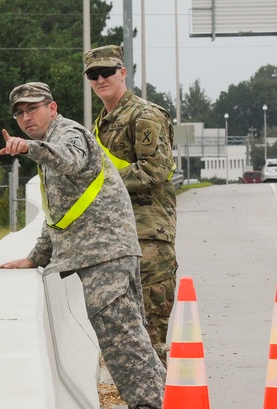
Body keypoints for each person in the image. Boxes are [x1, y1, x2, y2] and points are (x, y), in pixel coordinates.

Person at [0, 82, 166, 409]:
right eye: (20, 113)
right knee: (129, 335)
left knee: (123, 340)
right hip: (101, 253)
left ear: (52, 108)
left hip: (105, 253)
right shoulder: (51, 146)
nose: (26, 118)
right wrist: (37, 256)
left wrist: (30, 149)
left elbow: (69, 158)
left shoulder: (68, 134)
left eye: (33, 109)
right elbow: (59, 214)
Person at [84, 45, 178, 366]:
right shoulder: (103, 123)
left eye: (107, 72)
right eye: (93, 75)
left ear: (123, 73)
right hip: (119, 241)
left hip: (150, 239)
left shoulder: (144, 115)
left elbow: (156, 170)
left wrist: (104, 184)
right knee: (129, 336)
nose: (100, 79)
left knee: (151, 336)